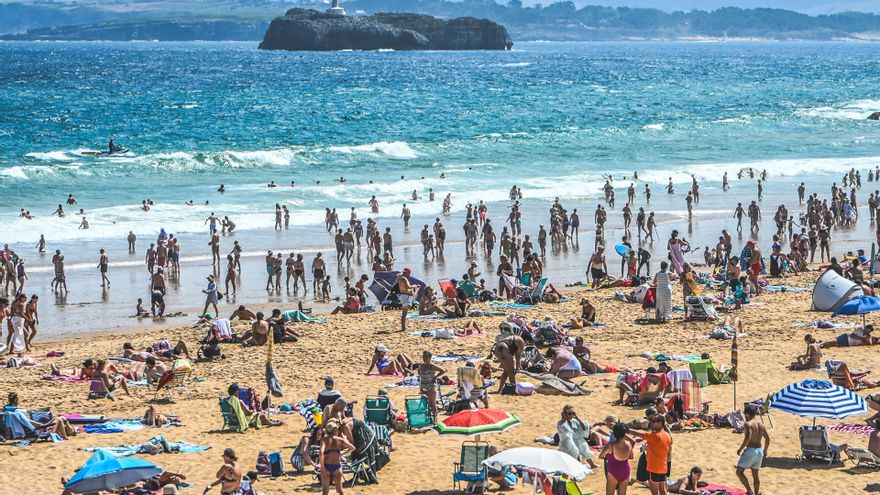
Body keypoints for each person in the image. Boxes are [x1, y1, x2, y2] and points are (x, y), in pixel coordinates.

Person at [631, 416, 673, 495]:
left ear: (660, 423)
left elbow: (638, 434)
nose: (652, 423)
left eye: (654, 421)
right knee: (663, 491)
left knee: (654, 492)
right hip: (663, 467)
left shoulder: (654, 435)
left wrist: (627, 430)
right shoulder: (667, 435)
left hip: (654, 468)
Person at [736, 404, 770, 495]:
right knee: (755, 474)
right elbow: (767, 439)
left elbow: (748, 438)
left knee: (739, 472)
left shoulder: (748, 424)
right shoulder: (761, 425)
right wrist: (765, 450)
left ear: (747, 414)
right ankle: (756, 493)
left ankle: (749, 491)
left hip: (751, 450)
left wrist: (740, 449)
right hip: (759, 451)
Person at [598, 422, 637, 495]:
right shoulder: (629, 444)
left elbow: (601, 456)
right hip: (625, 470)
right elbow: (631, 457)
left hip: (613, 470)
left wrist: (608, 457)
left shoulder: (611, 445)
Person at [320, 418, 355, 495]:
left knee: (325, 491)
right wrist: (343, 454)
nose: (338, 431)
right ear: (334, 430)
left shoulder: (324, 440)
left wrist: (322, 467)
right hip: (337, 466)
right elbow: (352, 448)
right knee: (339, 490)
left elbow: (321, 453)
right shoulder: (340, 439)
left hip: (326, 465)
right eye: (336, 429)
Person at [417, 350, 446, 415]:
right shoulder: (421, 366)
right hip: (423, 386)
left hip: (431, 386)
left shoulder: (432, 366)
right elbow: (418, 372)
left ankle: (435, 417)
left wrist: (435, 377)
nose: (424, 358)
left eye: (426, 357)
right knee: (424, 403)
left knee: (432, 404)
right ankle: (426, 417)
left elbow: (443, 370)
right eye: (424, 357)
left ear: (430, 358)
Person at [396, 268, 418, 332]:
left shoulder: (402, 278)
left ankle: (404, 328)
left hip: (405, 296)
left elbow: (406, 288)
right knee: (404, 313)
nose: (409, 275)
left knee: (405, 313)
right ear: (408, 273)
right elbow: (408, 287)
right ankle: (403, 328)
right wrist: (415, 286)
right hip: (405, 296)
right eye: (409, 273)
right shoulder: (404, 278)